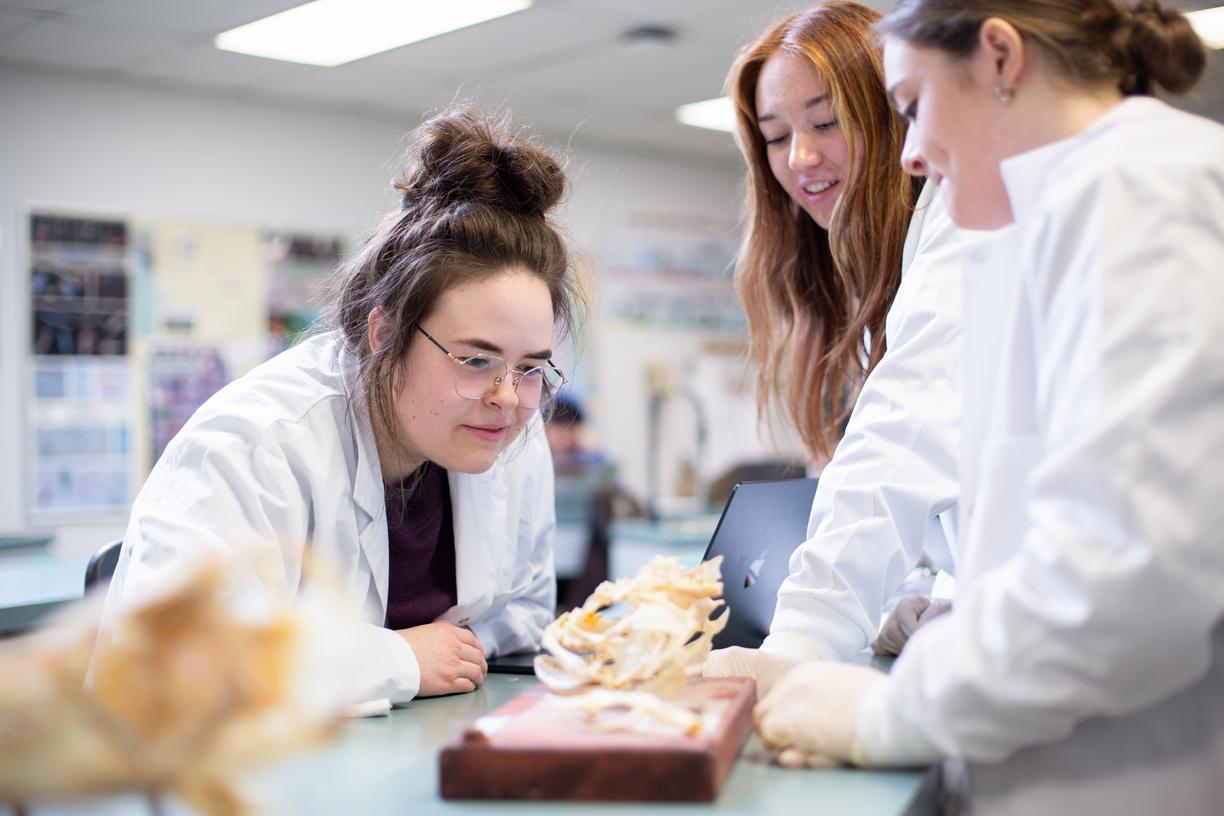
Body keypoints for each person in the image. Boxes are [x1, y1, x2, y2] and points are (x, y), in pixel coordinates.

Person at [755, 2, 1224, 812]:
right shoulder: (1056, 210)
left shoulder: (1140, 188)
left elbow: (1128, 583)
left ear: (1002, 57)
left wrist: (888, 712)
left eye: (910, 105)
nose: (907, 154)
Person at [98, 106, 582, 705]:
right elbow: (167, 663)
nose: (508, 398)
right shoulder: (256, 443)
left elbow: (525, 613)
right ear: (385, 335)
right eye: (475, 360)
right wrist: (397, 661)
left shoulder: (506, 431)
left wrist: (454, 653)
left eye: (531, 368)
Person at [705, 0, 974, 690]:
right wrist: (920, 592)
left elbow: (905, 437)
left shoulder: (960, 214)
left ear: (897, 115)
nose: (800, 157)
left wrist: (800, 644)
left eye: (827, 122)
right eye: (774, 135)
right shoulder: (865, 275)